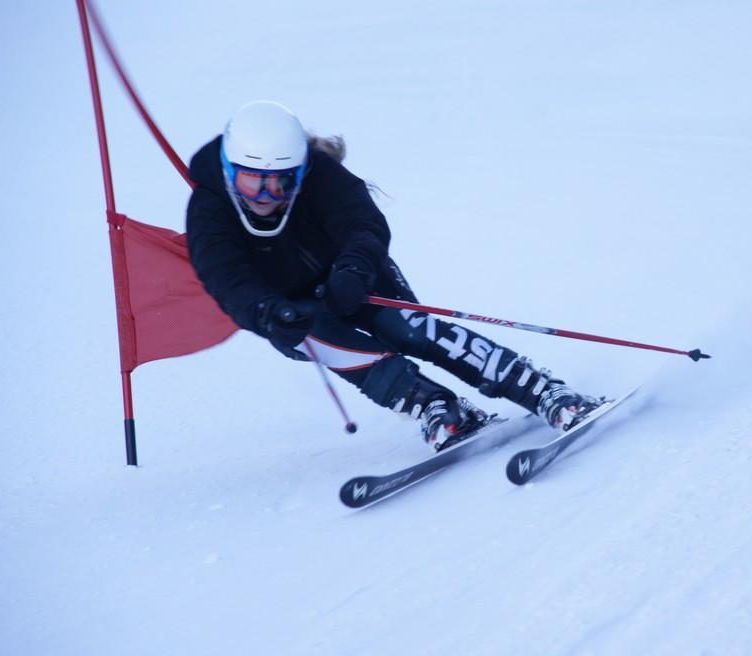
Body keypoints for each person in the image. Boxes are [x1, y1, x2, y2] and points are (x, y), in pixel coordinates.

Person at [186, 100, 598, 451]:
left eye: (281, 184)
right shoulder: (209, 207)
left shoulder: (321, 175)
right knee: (319, 338)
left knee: (408, 329)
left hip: (357, 276)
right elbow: (224, 276)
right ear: (228, 168)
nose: (266, 197)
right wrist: (265, 311)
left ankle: (540, 389)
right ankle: (433, 404)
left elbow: (364, 223)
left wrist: (354, 269)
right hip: (291, 307)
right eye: (252, 183)